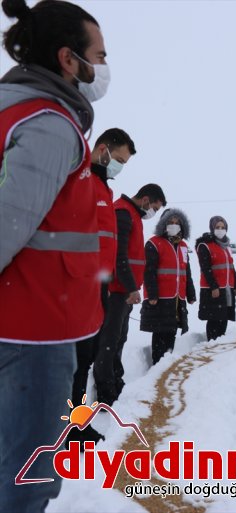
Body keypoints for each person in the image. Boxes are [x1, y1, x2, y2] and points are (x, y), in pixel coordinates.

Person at [0, 1, 107, 510]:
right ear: (69, 60)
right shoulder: (48, 123)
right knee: (28, 472)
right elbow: (8, 224)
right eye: (99, 55)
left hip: (22, 321)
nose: (104, 68)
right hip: (32, 331)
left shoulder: (17, 110)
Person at [68, 128, 136, 447]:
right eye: (118, 159)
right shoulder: (79, 180)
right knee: (76, 360)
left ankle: (76, 424)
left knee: (86, 357)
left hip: (97, 289)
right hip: (75, 287)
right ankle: (67, 427)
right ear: (102, 149)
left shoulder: (103, 189)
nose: (118, 166)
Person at [93, 184, 166, 404]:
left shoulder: (132, 214)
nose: (153, 212)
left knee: (119, 338)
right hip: (117, 291)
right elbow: (119, 256)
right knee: (109, 340)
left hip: (124, 291)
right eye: (154, 207)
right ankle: (105, 394)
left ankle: (116, 380)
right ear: (145, 200)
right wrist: (131, 287)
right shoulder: (123, 213)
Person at [140, 209, 196, 364]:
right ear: (163, 224)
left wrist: (190, 293)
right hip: (160, 298)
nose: (174, 225)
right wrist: (152, 294)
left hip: (178, 298)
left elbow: (186, 271)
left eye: (177, 223)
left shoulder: (183, 246)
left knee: (172, 331)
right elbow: (149, 271)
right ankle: (157, 366)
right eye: (170, 222)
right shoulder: (154, 243)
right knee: (160, 332)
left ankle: (167, 364)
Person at [196, 216, 236, 341]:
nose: (220, 230)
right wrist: (214, 286)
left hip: (227, 288)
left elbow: (231, 267)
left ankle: (220, 344)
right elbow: (206, 268)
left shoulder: (227, 247)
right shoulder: (205, 245)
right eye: (217, 227)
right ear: (212, 228)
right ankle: (212, 344)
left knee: (224, 316)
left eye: (223, 227)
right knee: (214, 318)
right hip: (213, 289)